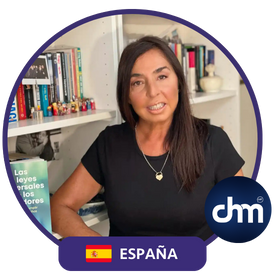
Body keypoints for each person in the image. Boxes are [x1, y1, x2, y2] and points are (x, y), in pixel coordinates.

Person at [50, 36, 244, 240]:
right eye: (138, 83)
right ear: (127, 95)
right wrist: (105, 252)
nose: (153, 92)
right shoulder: (110, 143)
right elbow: (59, 207)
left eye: (161, 77)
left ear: (178, 81)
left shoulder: (213, 141)